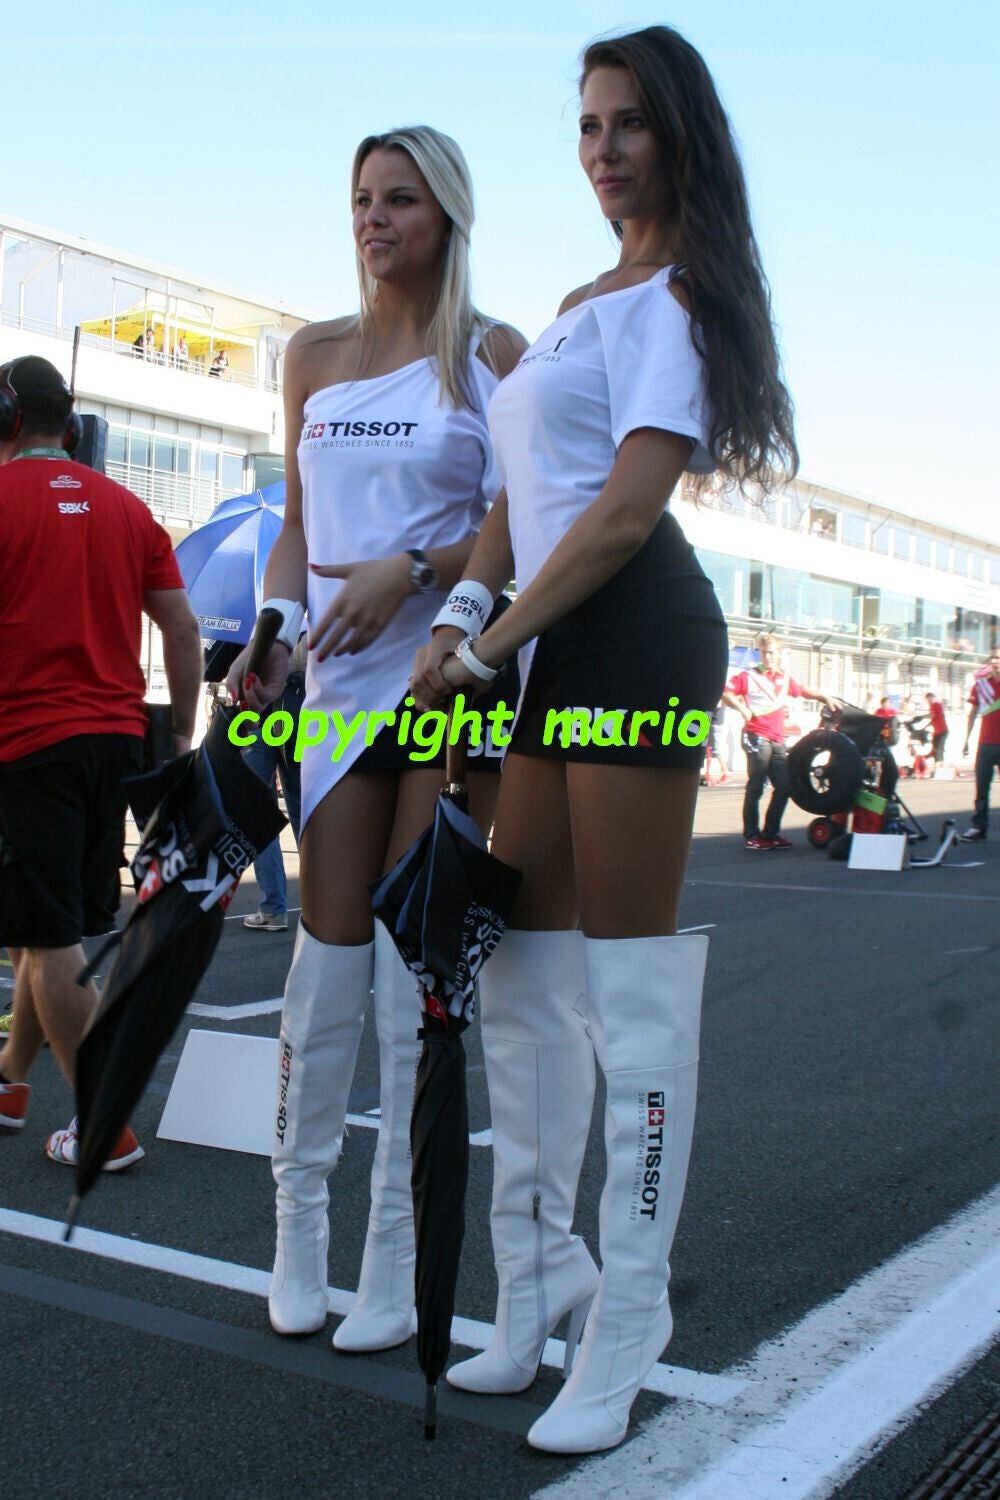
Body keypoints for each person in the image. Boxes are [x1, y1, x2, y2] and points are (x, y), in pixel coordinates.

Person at [410, 26, 797, 1453]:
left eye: (628, 122)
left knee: (629, 996)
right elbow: (517, 499)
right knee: (517, 977)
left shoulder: (681, 298)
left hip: (632, 633)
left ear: (677, 133)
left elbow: (624, 514)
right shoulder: (580, 300)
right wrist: (465, 615)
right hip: (541, 639)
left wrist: (489, 648)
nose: (603, 149)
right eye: (586, 124)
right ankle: (534, 1293)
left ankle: (628, 1319)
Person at [227, 126, 525, 1350]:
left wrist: (413, 568)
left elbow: (518, 520)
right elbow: (297, 528)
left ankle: (394, 1261)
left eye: (399, 199)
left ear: (446, 215)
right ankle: (297, 1231)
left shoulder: (489, 354)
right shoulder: (313, 354)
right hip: (339, 684)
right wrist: (274, 629)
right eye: (360, 198)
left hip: (448, 677)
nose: (373, 219)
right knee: (326, 956)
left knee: (415, 975)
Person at [0, 356, 202, 1164]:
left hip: (26, 744)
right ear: (72, 423)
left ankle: (103, 1124)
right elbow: (181, 628)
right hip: (114, 744)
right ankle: (10, 1081)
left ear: (8, 417)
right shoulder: (128, 507)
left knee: (48, 937)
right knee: (46, 929)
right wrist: (180, 735)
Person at [723, 633, 836, 849]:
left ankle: (770, 833)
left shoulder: (783, 678)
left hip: (777, 739)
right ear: (759, 653)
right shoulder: (749, 676)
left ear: (779, 654)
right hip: (757, 736)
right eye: (764, 652)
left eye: (772, 653)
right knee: (756, 786)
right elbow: (725, 692)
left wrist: (825, 697)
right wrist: (741, 708)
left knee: (784, 786)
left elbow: (802, 690)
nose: (768, 657)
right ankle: (752, 835)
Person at [243, 637, 306, 931]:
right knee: (303, 811)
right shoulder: (303, 615)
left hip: (264, 715)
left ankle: (273, 908)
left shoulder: (264, 616)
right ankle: (322, 905)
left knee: (259, 813)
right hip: (297, 708)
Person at [960, 644, 1000, 840]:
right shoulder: (981, 686)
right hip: (986, 743)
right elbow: (973, 713)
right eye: (993, 657)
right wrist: (966, 739)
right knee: (982, 787)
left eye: (998, 658)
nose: (995, 661)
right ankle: (979, 826)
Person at [925, 692, 948, 773]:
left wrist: (921, 717)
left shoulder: (935, 704)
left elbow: (932, 716)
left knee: (938, 750)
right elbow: (934, 719)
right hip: (938, 732)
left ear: (931, 698)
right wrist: (925, 727)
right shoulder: (936, 705)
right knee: (936, 750)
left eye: (928, 699)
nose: (928, 701)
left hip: (942, 731)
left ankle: (938, 769)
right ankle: (938, 767)